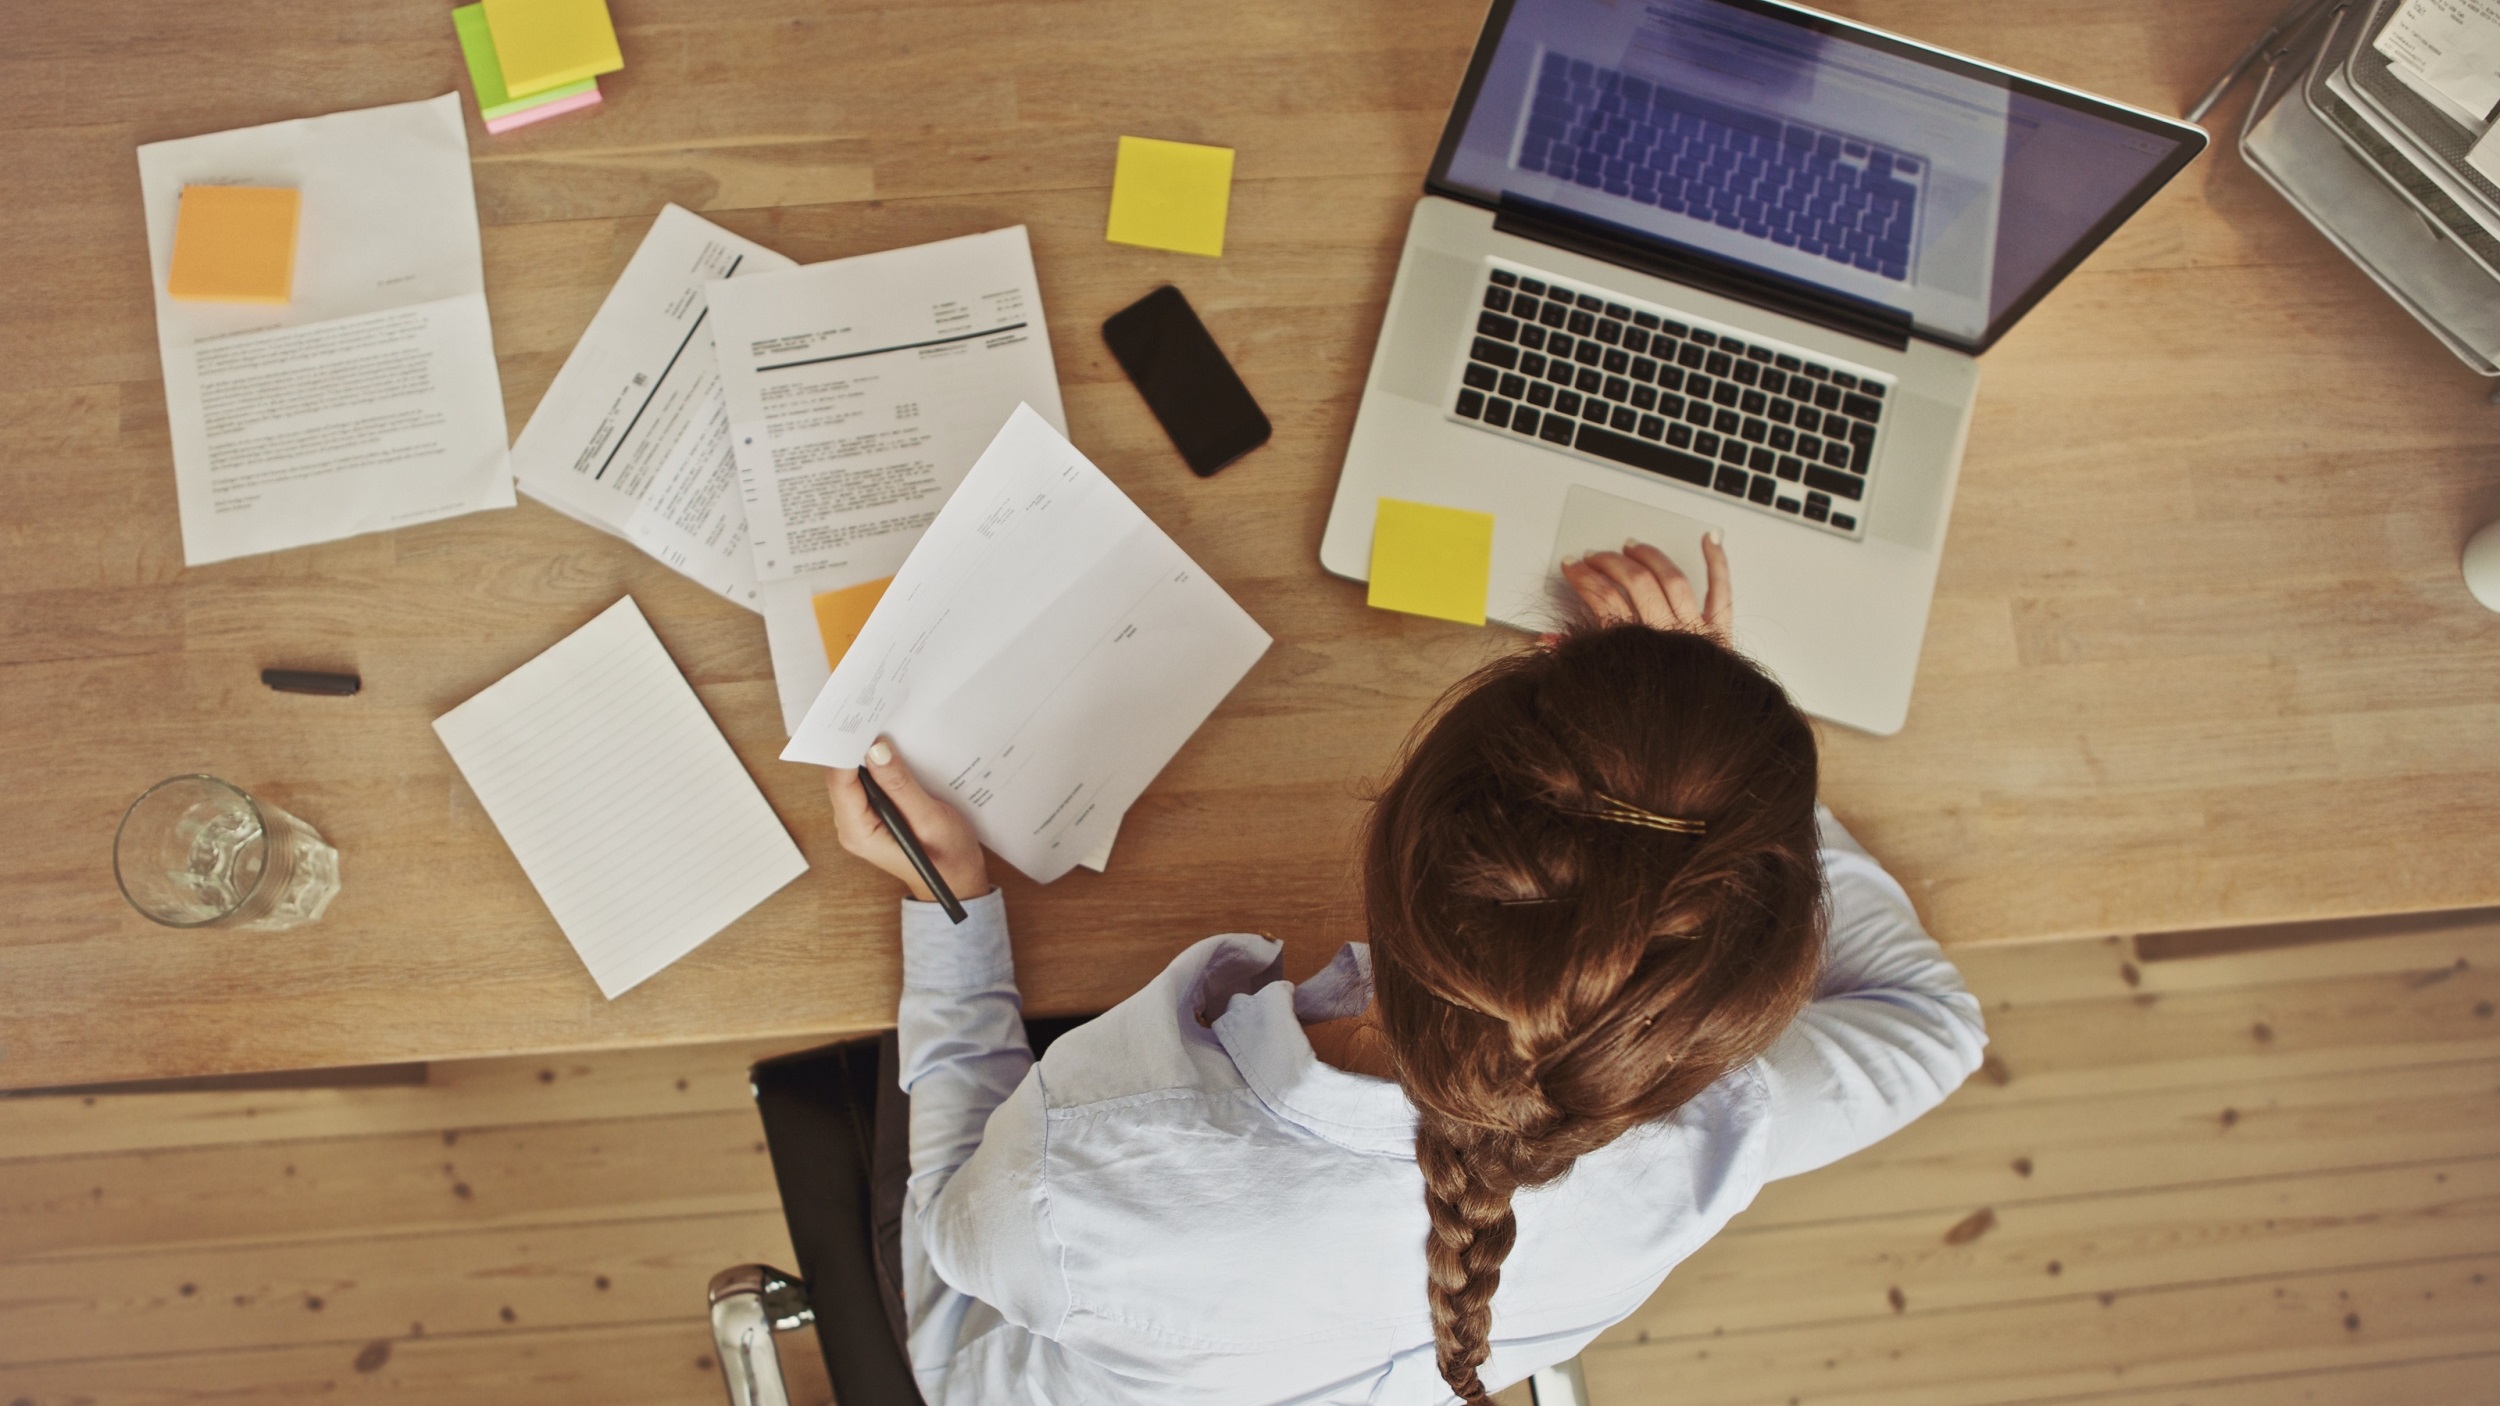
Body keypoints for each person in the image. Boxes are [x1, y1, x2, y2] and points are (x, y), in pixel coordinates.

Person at [826, 539, 1986, 1405]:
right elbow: (1931, 1029)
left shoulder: (1084, 1167)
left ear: (1389, 823)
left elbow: (950, 1238)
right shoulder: (1713, 1136)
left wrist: (955, 904)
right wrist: (1713, 781)